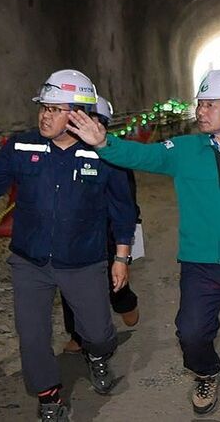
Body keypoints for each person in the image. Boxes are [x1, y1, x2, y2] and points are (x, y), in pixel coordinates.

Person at [68, 68, 220, 422]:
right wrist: (104, 143)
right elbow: (142, 157)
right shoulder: (184, 150)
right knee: (191, 331)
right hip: (200, 263)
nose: (201, 111)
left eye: (210, 104)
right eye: (200, 104)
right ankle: (208, 371)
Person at [0, 70, 136, 422]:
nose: (44, 116)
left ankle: (97, 354)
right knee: (32, 335)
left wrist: (122, 258)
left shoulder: (107, 155)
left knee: (97, 333)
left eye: (54, 109)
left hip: (83, 261)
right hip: (30, 262)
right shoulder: (21, 147)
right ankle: (49, 397)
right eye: (43, 108)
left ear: (78, 114)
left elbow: (124, 212)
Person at [61, 95, 140, 354]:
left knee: (112, 273)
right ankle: (77, 333)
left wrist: (127, 231)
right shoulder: (66, 152)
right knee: (70, 282)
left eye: (94, 120)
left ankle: (124, 301)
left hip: (108, 228)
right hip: (76, 230)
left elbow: (126, 200)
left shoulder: (113, 154)